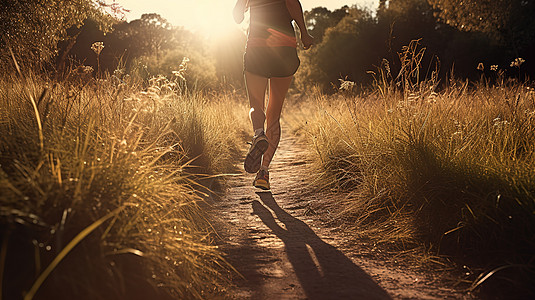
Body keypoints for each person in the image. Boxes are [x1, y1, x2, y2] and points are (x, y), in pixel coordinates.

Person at [233, 0, 314, 190]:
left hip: (257, 48)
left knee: (256, 105)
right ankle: (263, 172)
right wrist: (304, 33)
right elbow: (293, 3)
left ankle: (258, 134)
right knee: (274, 113)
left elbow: (237, 17)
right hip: (284, 48)